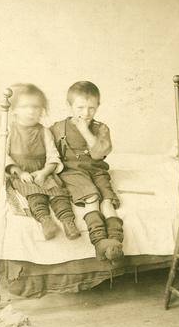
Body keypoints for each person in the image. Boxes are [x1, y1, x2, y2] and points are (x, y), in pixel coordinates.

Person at [50, 81, 124, 263]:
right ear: (70, 106)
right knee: (92, 197)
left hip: (97, 170)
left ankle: (115, 242)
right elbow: (49, 153)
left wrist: (85, 131)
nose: (86, 113)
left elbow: (99, 154)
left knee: (107, 201)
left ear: (98, 106)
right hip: (72, 171)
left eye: (91, 108)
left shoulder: (101, 129)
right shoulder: (59, 127)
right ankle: (99, 242)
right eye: (80, 107)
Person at [4, 83, 81, 240]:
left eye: (36, 107)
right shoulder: (10, 131)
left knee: (59, 195)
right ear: (14, 110)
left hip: (43, 172)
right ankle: (45, 221)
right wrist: (19, 172)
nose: (31, 111)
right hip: (22, 174)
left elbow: (53, 156)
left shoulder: (44, 131)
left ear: (42, 110)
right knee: (35, 197)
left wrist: (45, 172)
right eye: (25, 107)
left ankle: (68, 222)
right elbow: (3, 156)